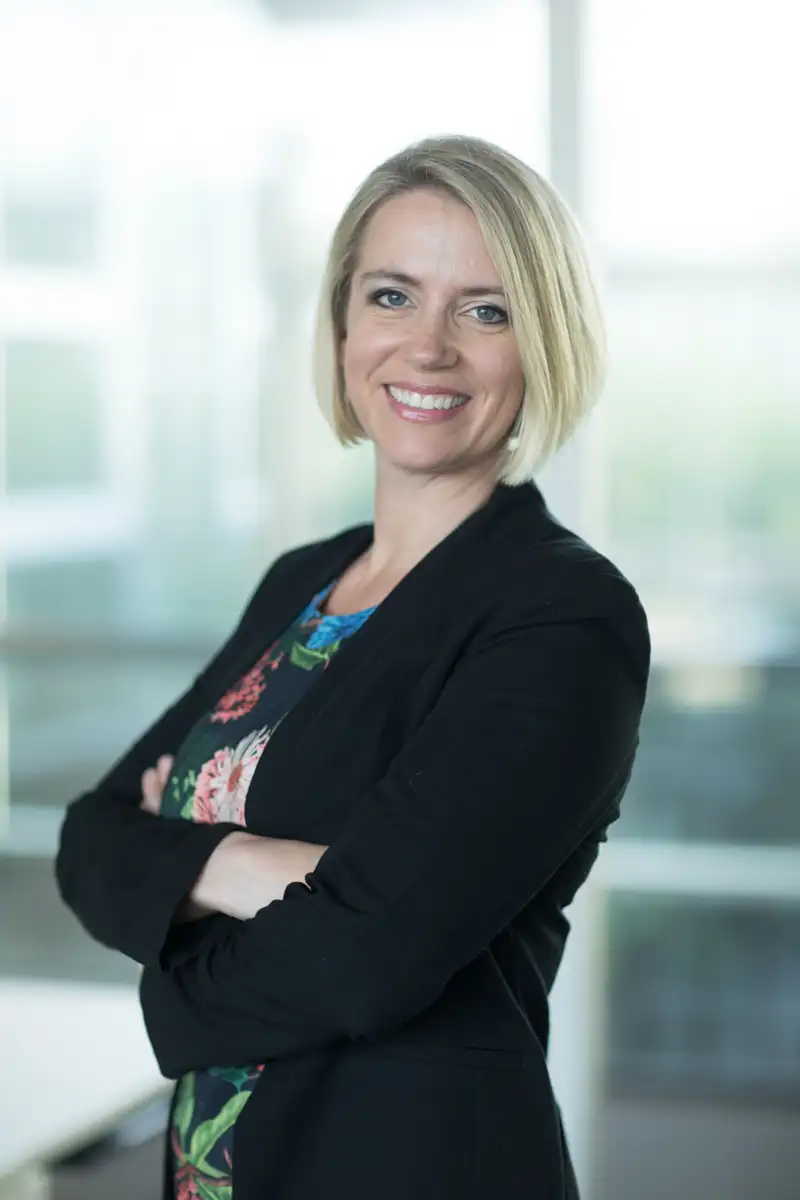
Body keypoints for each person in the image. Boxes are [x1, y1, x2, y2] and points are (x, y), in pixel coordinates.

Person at [55, 134, 650, 1200]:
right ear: (340, 326)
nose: (426, 349)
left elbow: (366, 957)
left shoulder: (562, 615)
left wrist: (185, 883)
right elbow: (91, 840)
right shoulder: (303, 580)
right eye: (390, 296)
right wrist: (269, 868)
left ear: (543, 340)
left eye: (485, 309)